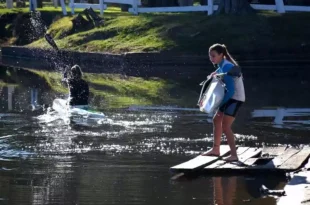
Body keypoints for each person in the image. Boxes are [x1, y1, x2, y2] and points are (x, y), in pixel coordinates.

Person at [202, 43, 245, 162]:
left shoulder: (226, 67)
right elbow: (220, 74)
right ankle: (216, 150)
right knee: (216, 120)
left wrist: (219, 105)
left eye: (213, 56)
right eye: (210, 56)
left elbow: (231, 91)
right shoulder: (221, 65)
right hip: (229, 97)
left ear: (221, 55)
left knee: (226, 127)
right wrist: (214, 74)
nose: (211, 59)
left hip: (236, 98)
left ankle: (234, 155)